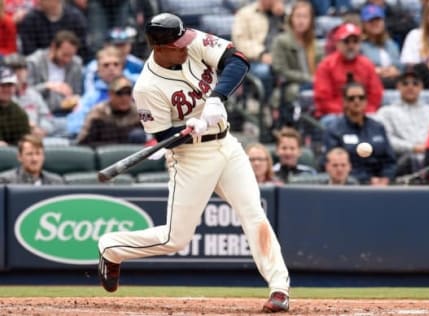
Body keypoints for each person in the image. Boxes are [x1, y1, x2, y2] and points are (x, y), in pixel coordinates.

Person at [97, 13, 290, 313]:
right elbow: (162, 135)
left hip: (227, 145)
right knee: (175, 239)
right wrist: (187, 130)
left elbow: (237, 60)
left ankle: (279, 288)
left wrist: (217, 98)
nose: (186, 46)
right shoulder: (147, 87)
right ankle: (112, 247)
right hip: (191, 158)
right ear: (160, 47)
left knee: (253, 213)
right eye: (178, 44)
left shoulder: (189, 40)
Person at [322, 80, 396, 185]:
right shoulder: (334, 130)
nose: (357, 101)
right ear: (344, 101)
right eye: (351, 98)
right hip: (350, 185)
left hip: (382, 184)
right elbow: (334, 165)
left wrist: (386, 178)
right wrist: (368, 180)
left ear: (366, 100)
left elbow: (390, 161)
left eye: (361, 97)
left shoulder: (378, 127)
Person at [374, 66, 429, 177]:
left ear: (421, 87)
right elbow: (385, 140)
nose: (410, 87)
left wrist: (428, 148)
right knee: (409, 160)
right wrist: (413, 148)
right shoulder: (386, 112)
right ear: (398, 86)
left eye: (415, 83)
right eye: (405, 83)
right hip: (401, 161)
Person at [313, 22, 383, 125]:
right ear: (337, 43)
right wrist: (350, 112)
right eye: (346, 42)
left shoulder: (367, 64)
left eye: (355, 41)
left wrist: (361, 111)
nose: (351, 46)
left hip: (364, 113)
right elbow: (323, 100)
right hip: (335, 115)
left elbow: (375, 95)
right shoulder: (326, 65)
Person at [271, 0, 323, 127]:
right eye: (298, 16)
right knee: (294, 91)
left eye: (305, 17)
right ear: (291, 18)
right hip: (291, 85)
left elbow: (323, 68)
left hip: (315, 83)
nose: (301, 21)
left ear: (311, 20)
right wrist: (308, 79)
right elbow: (280, 69)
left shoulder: (316, 44)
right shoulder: (281, 41)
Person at [232, 0, 286, 103]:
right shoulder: (245, 14)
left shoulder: (285, 15)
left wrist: (282, 17)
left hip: (281, 59)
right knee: (264, 71)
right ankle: (265, 106)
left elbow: (295, 37)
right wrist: (261, 54)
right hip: (253, 61)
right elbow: (240, 42)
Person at [66, 45, 124, 138]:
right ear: (98, 69)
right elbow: (73, 126)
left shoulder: (136, 90)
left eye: (116, 64)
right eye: (106, 65)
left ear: (122, 67)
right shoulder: (91, 96)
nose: (111, 68)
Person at [26, 30, 83, 116]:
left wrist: (75, 99)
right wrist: (48, 86)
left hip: (68, 112)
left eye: (71, 56)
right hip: (40, 112)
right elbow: (26, 92)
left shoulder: (76, 63)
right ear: (53, 47)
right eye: (64, 55)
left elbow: (77, 92)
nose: (67, 60)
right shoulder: (34, 62)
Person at [76, 75, 145, 146]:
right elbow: (82, 143)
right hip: (104, 154)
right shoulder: (97, 114)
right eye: (119, 93)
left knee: (138, 134)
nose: (124, 98)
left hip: (134, 155)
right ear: (110, 94)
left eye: (128, 93)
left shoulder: (138, 113)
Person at [4, 53, 57, 138]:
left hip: (35, 139)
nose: (18, 73)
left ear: (27, 71)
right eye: (13, 70)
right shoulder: (3, 96)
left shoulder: (34, 94)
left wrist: (42, 130)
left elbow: (47, 118)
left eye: (21, 69)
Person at [17, 0, 88, 61]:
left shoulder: (75, 18)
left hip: (71, 66)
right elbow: (28, 52)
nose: (38, 1)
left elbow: (82, 49)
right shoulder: (30, 20)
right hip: (40, 68)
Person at [83, 26, 144, 94]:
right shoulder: (92, 68)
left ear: (130, 45)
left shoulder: (138, 64)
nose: (121, 49)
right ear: (106, 45)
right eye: (116, 45)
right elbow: (88, 93)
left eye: (123, 44)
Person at [359, 4, 402, 89]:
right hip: (370, 85)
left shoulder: (391, 45)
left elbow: (399, 67)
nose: (375, 23)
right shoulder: (360, 46)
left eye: (378, 20)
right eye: (371, 21)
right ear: (364, 24)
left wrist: (395, 71)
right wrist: (376, 71)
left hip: (394, 83)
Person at [0, 66, 30, 146]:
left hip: (11, 156)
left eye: (9, 85)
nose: (6, 89)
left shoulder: (19, 113)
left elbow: (24, 142)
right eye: (2, 85)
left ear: (14, 88)